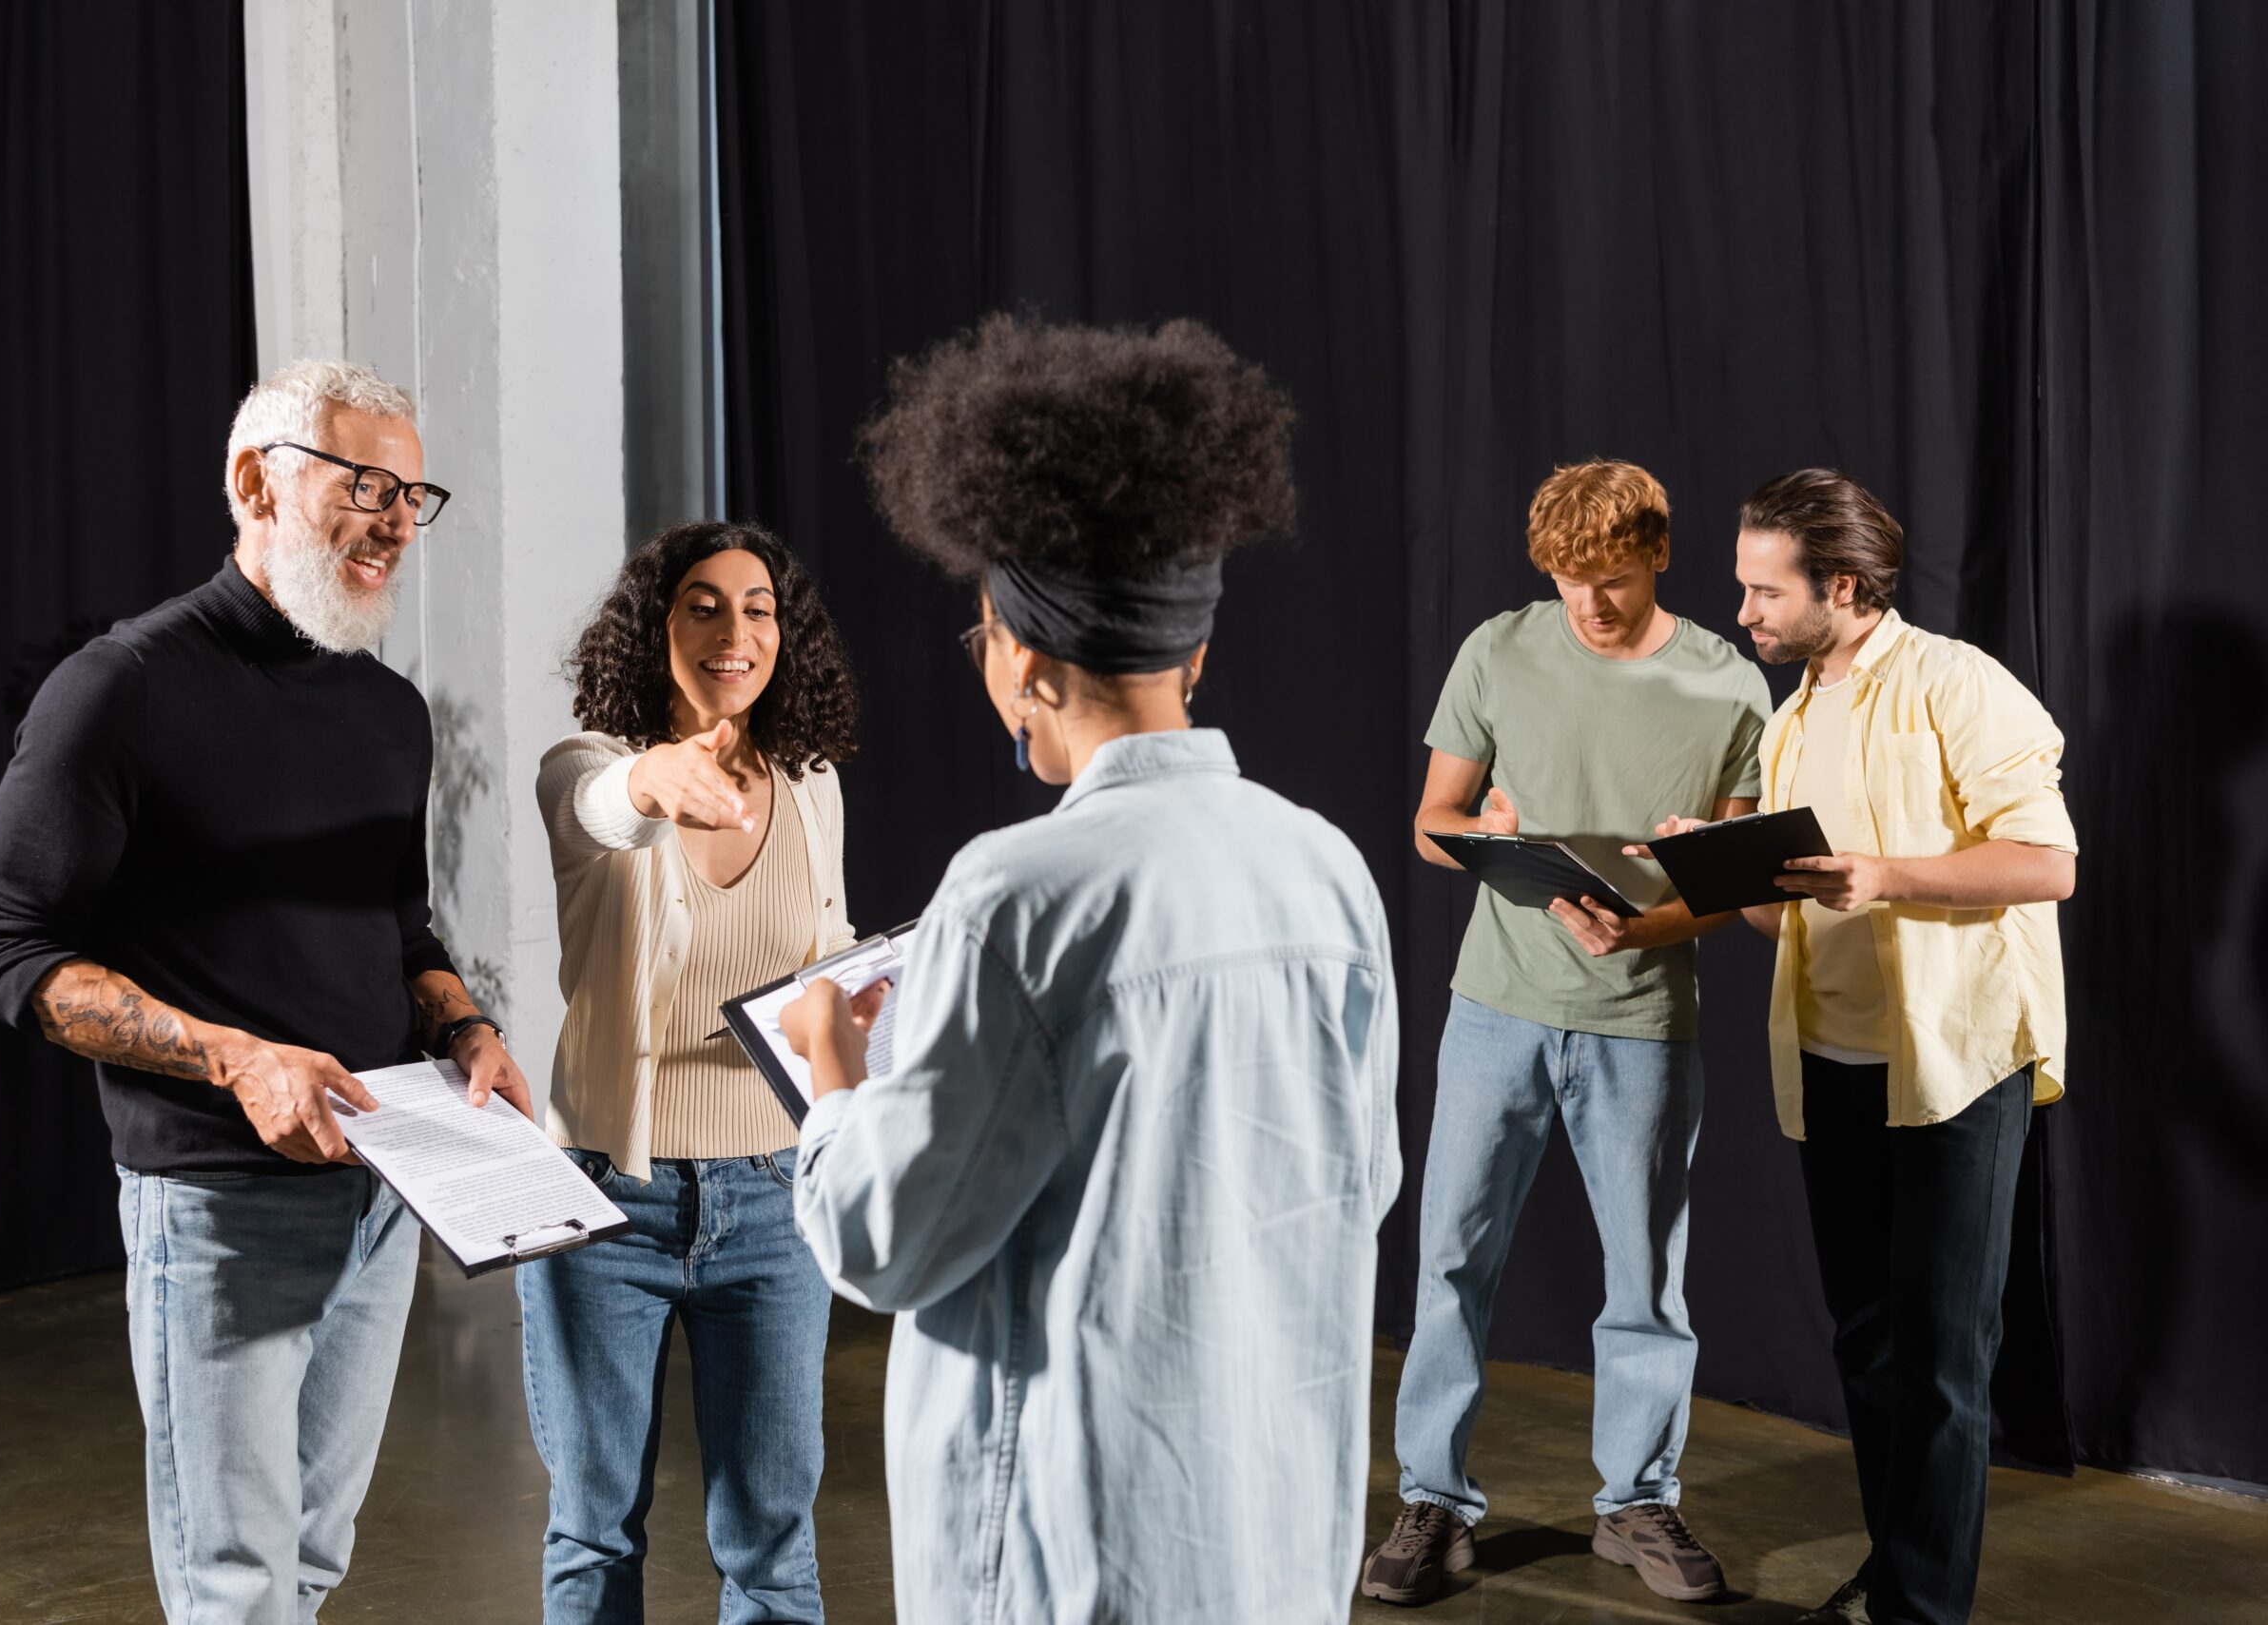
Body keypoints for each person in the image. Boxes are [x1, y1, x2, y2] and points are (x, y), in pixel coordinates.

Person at [775, 315, 1401, 1625]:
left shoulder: (1016, 893)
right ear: (1197, 650)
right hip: (1268, 1525)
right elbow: (1358, 1178)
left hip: (1071, 1539)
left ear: (1020, 657)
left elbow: (887, 1237)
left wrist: (838, 1078)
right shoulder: (1322, 866)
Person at [0, 358, 531, 1623]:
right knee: (235, 1586)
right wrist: (238, 1057)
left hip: (384, 1184)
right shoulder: (120, 690)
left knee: (308, 1567)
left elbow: (396, 922)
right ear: (251, 481)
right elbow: (4, 949)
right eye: (365, 483)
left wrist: (471, 1028)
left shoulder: (390, 711)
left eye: (414, 493)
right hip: (216, 1210)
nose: (395, 518)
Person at [1363, 461, 1771, 1607]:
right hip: (1495, 1003)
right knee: (1450, 1255)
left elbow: (1736, 876)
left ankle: (1635, 1498)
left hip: (1644, 1018)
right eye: (1566, 576)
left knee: (1647, 1276)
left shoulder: (1727, 684)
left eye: (1612, 575)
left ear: (1659, 553)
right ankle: (1433, 1499)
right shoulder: (1498, 648)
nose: (1587, 600)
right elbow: (1435, 821)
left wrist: (1651, 926)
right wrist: (1496, 844)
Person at [1689, 470, 2075, 1625]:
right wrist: (1723, 862)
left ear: (1841, 586)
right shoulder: (1792, 712)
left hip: (1953, 1063)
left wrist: (1882, 874)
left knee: (1945, 1360)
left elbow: (2045, 864)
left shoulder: (1960, 682)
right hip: (1830, 1060)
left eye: (1764, 592)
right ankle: (1892, 1571)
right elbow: (1788, 910)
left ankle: (1919, 1610)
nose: (1743, 613)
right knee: (1865, 1340)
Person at [524, 520, 861, 1622]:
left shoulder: (810, 784)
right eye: (702, 604)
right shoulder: (585, 764)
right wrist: (657, 778)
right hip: (601, 1199)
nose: (735, 629)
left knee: (771, 1537)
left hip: (774, 1196)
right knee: (594, 1525)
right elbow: (603, 809)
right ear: (654, 627)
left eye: (758, 606)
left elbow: (826, 952)